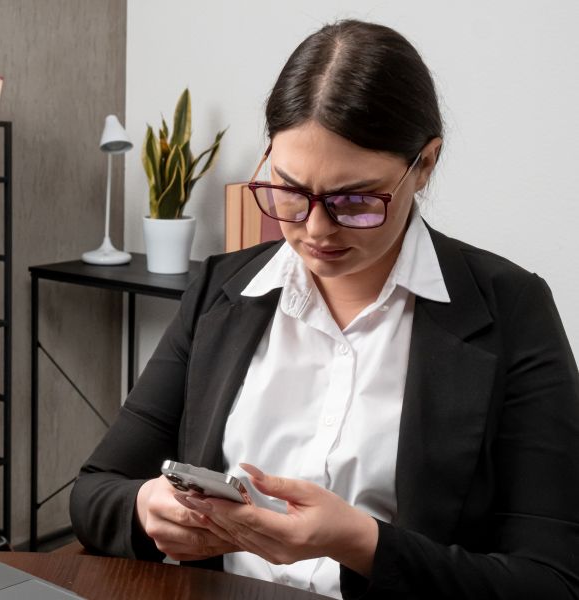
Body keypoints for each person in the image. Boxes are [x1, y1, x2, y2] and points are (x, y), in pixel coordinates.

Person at [69, 19, 579, 600]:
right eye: (289, 190)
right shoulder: (222, 291)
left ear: (427, 163)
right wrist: (147, 509)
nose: (314, 230)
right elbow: (93, 492)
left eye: (355, 200)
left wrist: (361, 543)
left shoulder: (510, 310)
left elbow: (553, 581)